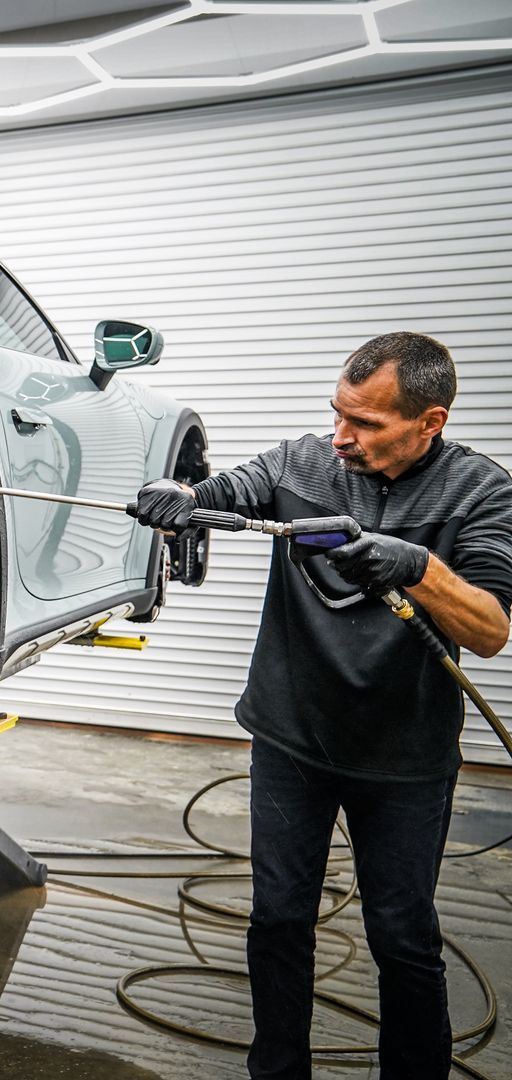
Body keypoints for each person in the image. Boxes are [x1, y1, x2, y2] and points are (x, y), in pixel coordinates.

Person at [132, 331, 512, 1078]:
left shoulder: (480, 492)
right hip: (292, 739)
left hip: (404, 756)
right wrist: (179, 499)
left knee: (402, 935)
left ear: (429, 423)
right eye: (339, 413)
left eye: (366, 424)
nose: (342, 436)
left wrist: (417, 567)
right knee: (278, 921)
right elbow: (219, 494)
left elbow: (491, 629)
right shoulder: (303, 461)